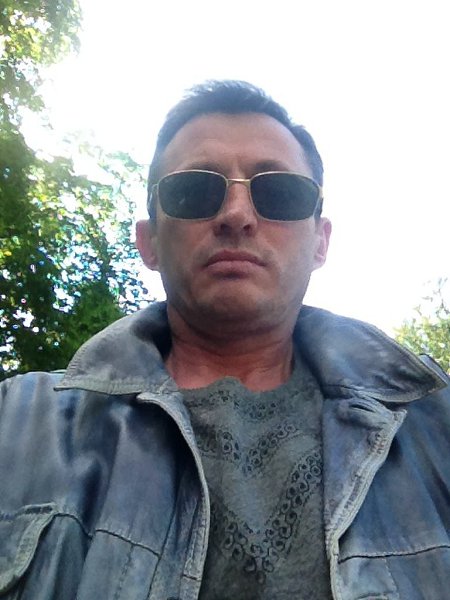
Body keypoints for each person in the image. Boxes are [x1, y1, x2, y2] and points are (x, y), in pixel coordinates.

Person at [0, 80, 449, 600]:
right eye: (195, 190)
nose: (237, 215)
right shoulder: (17, 423)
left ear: (320, 241)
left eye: (279, 192)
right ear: (149, 241)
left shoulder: (434, 429)